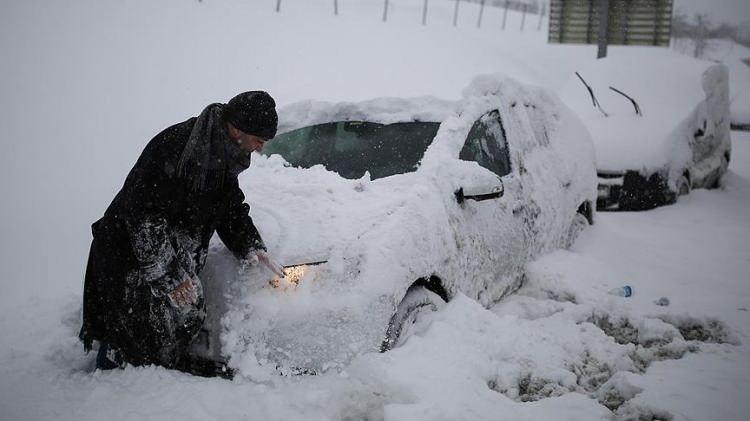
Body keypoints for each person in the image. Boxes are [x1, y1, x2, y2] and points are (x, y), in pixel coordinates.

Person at [79, 91, 285, 376]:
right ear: (237, 129)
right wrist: (172, 277)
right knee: (129, 337)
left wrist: (251, 245)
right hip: (130, 257)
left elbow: (229, 208)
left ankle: (155, 379)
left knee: (171, 325)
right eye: (259, 141)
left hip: (165, 253)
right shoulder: (177, 148)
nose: (259, 149)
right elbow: (144, 221)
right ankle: (109, 391)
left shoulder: (224, 154)